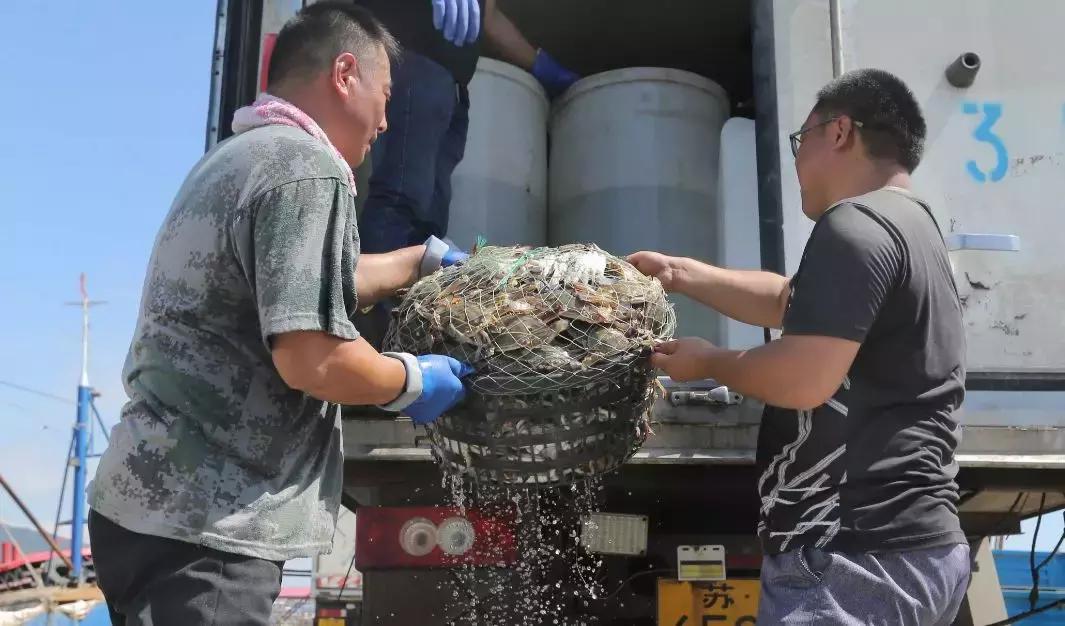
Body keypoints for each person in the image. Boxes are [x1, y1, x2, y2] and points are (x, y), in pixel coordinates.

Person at [87, 5, 471, 624]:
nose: (386, 121)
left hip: (148, 507)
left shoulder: (241, 156)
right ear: (344, 74)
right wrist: (413, 382)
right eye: (385, 95)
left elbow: (301, 283)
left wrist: (415, 261)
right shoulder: (308, 169)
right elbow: (312, 357)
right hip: (210, 530)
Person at [628, 69, 970, 624]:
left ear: (839, 132)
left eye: (800, 139)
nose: (796, 160)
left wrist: (709, 362)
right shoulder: (913, 228)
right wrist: (680, 273)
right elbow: (794, 301)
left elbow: (804, 378)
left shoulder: (854, 224)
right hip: (916, 548)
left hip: (854, 555)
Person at [356, 0, 579, 253]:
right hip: (413, 68)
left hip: (453, 89)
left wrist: (539, 64)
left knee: (430, 215)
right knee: (401, 196)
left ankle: (408, 273)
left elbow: (489, 17)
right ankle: (373, 275)